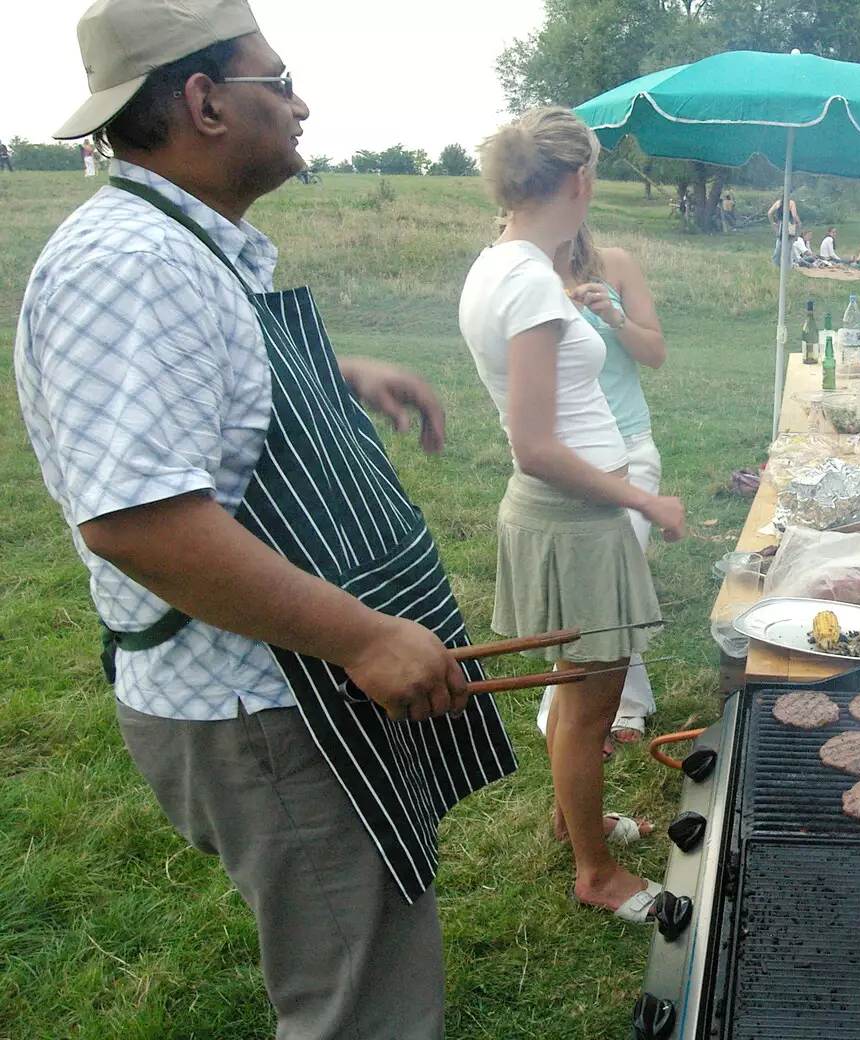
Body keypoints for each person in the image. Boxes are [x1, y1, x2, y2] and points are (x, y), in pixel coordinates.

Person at [16, 1, 518, 1034]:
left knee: (373, 945)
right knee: (358, 1001)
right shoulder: (135, 264)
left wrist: (329, 369)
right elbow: (139, 520)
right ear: (204, 102)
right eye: (276, 80)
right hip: (261, 705)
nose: (299, 104)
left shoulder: (183, 246)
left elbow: (190, 393)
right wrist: (367, 635)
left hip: (285, 692)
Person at [459, 106, 687, 923]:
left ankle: (572, 819)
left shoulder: (503, 263)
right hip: (574, 514)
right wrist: (643, 497)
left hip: (570, 514)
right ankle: (595, 873)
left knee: (579, 696)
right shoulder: (525, 279)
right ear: (581, 180)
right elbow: (535, 446)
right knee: (590, 704)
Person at [530, 224, 669, 747]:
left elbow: (655, 353)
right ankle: (575, 710)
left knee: (617, 579)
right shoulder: (522, 276)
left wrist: (613, 317)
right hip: (564, 455)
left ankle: (618, 706)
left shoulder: (616, 265)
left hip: (629, 446)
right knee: (583, 587)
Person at [768, 194, 800, 263]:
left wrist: (773, 223)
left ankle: (776, 262)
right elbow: (794, 216)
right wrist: (799, 223)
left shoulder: (778, 203)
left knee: (779, 243)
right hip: (789, 225)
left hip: (780, 225)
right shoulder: (791, 203)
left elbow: (769, 213)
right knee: (788, 246)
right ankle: (787, 264)